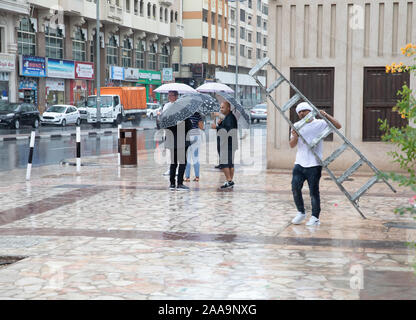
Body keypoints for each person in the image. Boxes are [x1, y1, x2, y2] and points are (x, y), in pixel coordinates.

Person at [290, 102, 342, 226]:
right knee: (295, 188)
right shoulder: (296, 125)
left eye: (304, 111)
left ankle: (315, 217)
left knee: (314, 191)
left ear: (310, 111)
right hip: (299, 163)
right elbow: (291, 145)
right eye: (299, 112)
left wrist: (326, 115)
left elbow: (338, 126)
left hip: (314, 164)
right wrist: (295, 136)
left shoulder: (320, 123)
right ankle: (301, 212)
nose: (302, 113)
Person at [211, 101, 238, 189]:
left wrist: (217, 127)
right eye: (220, 107)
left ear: (228, 108)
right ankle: (229, 182)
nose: (221, 109)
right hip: (230, 144)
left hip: (227, 144)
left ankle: (229, 181)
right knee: (230, 164)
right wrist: (220, 123)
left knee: (224, 163)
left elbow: (227, 130)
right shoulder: (229, 117)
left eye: (223, 107)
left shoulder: (230, 118)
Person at [165, 116, 193, 191]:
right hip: (182, 144)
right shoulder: (185, 117)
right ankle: (180, 183)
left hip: (172, 143)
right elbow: (190, 129)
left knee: (173, 163)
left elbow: (167, 130)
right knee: (182, 163)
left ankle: (172, 184)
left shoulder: (169, 118)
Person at [162, 91, 179, 176]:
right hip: (168, 132)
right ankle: (170, 169)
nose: (169, 97)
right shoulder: (166, 105)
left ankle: (177, 169)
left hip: (177, 132)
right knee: (169, 152)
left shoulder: (179, 106)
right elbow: (164, 117)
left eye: (171, 95)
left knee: (177, 152)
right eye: (168, 95)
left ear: (176, 96)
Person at [184, 112, 205, 182]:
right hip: (196, 135)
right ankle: (197, 177)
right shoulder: (198, 114)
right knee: (195, 157)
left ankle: (187, 177)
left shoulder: (185, 114)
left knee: (188, 157)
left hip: (188, 136)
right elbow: (201, 127)